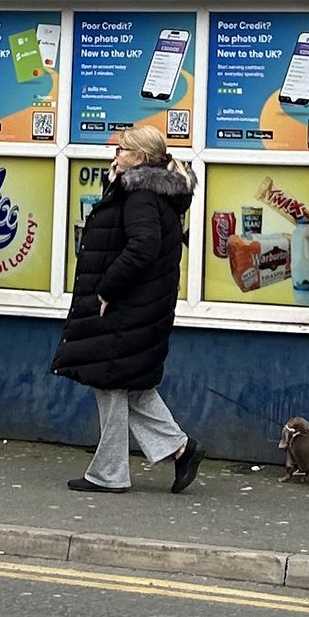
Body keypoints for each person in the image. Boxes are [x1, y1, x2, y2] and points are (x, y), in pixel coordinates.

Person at [53, 117, 202, 494]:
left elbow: (141, 248)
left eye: (121, 149)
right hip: (141, 305)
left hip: (126, 306)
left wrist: (106, 290)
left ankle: (110, 473)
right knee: (129, 385)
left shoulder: (140, 195)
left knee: (111, 383)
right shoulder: (144, 191)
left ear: (141, 156)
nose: (115, 154)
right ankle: (179, 447)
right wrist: (113, 184)